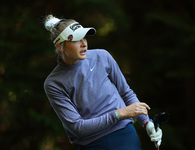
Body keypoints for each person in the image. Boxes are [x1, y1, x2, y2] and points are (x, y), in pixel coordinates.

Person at [43, 14, 162, 150]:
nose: (84, 44)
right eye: (76, 40)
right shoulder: (53, 83)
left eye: (84, 37)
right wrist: (120, 113)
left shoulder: (102, 56)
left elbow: (126, 93)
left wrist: (147, 123)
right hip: (91, 146)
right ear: (60, 46)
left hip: (125, 137)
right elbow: (78, 127)